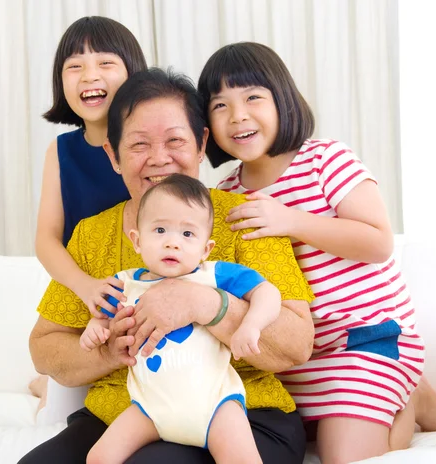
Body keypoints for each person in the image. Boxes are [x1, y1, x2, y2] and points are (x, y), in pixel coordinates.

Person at [18, 67, 316, 464]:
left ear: (200, 144)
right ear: (113, 155)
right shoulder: (92, 235)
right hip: (125, 416)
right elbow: (45, 348)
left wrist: (207, 306)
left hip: (239, 416)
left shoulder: (244, 219)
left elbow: (297, 343)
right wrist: (109, 351)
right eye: (139, 144)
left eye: (175, 140)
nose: (159, 159)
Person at [198, 41, 436, 463]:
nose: (239, 115)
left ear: (282, 100)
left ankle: (411, 402)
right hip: (294, 358)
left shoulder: (324, 159)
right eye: (220, 105)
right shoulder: (225, 196)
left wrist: (292, 220)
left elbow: (377, 241)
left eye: (252, 97)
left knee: (343, 458)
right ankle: (403, 395)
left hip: (366, 339)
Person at [81, 174, 282, 463]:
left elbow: (268, 292)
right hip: (149, 409)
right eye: (160, 230)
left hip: (215, 406)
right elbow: (101, 316)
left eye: (187, 234)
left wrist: (251, 325)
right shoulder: (124, 284)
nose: (173, 243)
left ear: (205, 248)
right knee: (98, 458)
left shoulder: (211, 275)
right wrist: (95, 329)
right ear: (137, 240)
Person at [32, 16, 147, 418]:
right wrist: (84, 287)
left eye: (105, 63)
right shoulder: (60, 152)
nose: (89, 76)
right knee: (59, 409)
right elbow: (46, 239)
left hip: (146, 291)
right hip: (86, 300)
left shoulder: (152, 144)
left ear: (134, 72)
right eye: (74, 67)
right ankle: (43, 382)